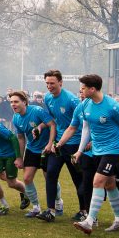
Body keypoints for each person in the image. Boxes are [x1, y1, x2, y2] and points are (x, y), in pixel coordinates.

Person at [72, 74, 119, 234]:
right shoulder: (85, 104)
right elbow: (86, 128)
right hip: (97, 150)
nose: (80, 91)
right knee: (110, 183)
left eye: (83, 88)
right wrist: (79, 150)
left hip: (112, 150)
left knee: (97, 182)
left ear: (92, 89)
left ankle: (89, 221)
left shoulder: (113, 107)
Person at [41, 70, 82, 220]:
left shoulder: (72, 100)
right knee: (50, 173)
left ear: (60, 82)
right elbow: (53, 120)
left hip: (74, 144)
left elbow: (82, 123)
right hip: (58, 144)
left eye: (52, 83)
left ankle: (83, 210)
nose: (49, 86)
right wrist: (45, 133)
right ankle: (51, 211)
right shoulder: (47, 98)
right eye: (47, 83)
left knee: (77, 178)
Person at [9, 90, 55, 218]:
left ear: (24, 102)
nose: (13, 104)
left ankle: (58, 202)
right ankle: (36, 207)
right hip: (32, 149)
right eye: (11, 102)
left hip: (46, 149)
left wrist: (50, 144)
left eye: (16, 101)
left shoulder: (37, 111)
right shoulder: (16, 118)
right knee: (27, 178)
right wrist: (19, 157)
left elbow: (52, 124)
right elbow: (21, 137)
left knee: (49, 178)